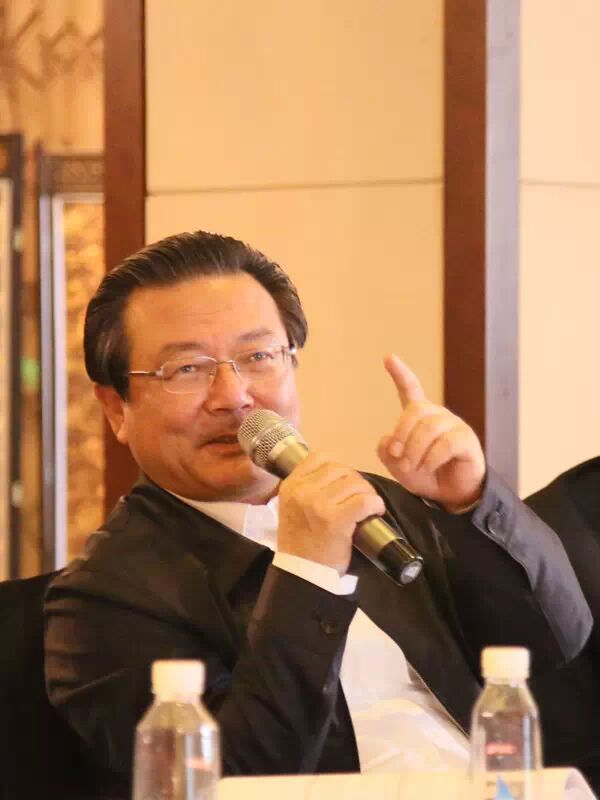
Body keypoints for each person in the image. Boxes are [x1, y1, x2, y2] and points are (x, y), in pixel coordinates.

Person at [44, 231, 592, 798]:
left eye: (258, 357)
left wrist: (471, 501)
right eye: (187, 368)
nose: (233, 396)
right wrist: (308, 571)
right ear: (116, 409)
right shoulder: (99, 602)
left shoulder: (376, 504)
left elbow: (558, 642)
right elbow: (234, 781)